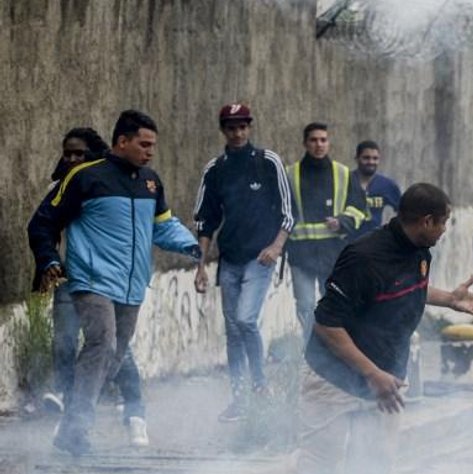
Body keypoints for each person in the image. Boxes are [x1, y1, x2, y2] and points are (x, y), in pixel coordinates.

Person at [257, 183, 473, 474]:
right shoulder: (363, 257)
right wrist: (370, 373)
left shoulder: (419, 250)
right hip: (334, 377)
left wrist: (449, 298)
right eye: (445, 222)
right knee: (320, 466)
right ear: (426, 220)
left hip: (385, 382)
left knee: (376, 464)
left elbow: (409, 289)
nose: (446, 229)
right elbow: (326, 325)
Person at [29, 110, 200, 455]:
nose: (150, 151)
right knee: (102, 343)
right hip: (91, 280)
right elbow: (43, 222)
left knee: (115, 356)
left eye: (153, 145)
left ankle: (70, 423)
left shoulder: (151, 181)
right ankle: (78, 428)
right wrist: (49, 260)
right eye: (144, 144)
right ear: (122, 142)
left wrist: (192, 245)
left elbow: (163, 226)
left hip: (132, 285)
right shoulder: (85, 177)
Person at [28, 128, 144, 425]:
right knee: (64, 343)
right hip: (73, 278)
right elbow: (42, 226)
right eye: (67, 153)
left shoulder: (110, 184)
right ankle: (73, 411)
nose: (72, 159)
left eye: (79, 153)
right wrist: (50, 261)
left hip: (109, 281)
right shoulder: (64, 188)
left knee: (112, 345)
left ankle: (134, 408)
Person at [193, 104, 294, 423]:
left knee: (246, 319)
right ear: (223, 130)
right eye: (230, 127)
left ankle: (260, 385)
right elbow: (206, 220)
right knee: (233, 330)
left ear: (249, 128)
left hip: (260, 258)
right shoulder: (216, 169)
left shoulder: (268, 162)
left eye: (242, 127)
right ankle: (239, 398)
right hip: (230, 259)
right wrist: (200, 265)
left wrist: (276, 247)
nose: (237, 133)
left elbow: (289, 213)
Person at [285, 122, 367, 342]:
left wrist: (342, 221)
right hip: (301, 254)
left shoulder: (343, 174)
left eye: (323, 140)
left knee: (334, 305)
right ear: (305, 144)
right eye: (313, 140)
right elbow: (282, 212)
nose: (318, 145)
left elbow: (360, 209)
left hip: (333, 254)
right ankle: (311, 350)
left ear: (329, 143)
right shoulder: (290, 174)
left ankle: (335, 351)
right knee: (304, 305)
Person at [353, 140, 401, 237]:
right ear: (357, 158)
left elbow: (403, 212)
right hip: (347, 241)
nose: (371, 162)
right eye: (366, 158)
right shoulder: (346, 181)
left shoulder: (387, 185)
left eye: (375, 158)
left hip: (373, 240)